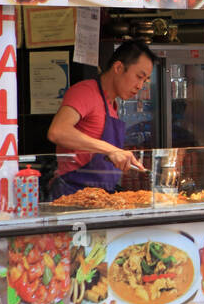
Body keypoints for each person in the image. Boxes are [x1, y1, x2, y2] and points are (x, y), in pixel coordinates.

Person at [46, 39, 154, 199]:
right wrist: (110, 149)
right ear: (118, 67)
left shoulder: (113, 106)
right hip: (72, 195)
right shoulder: (85, 92)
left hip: (100, 196)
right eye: (139, 76)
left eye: (145, 81)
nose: (140, 86)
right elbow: (57, 131)